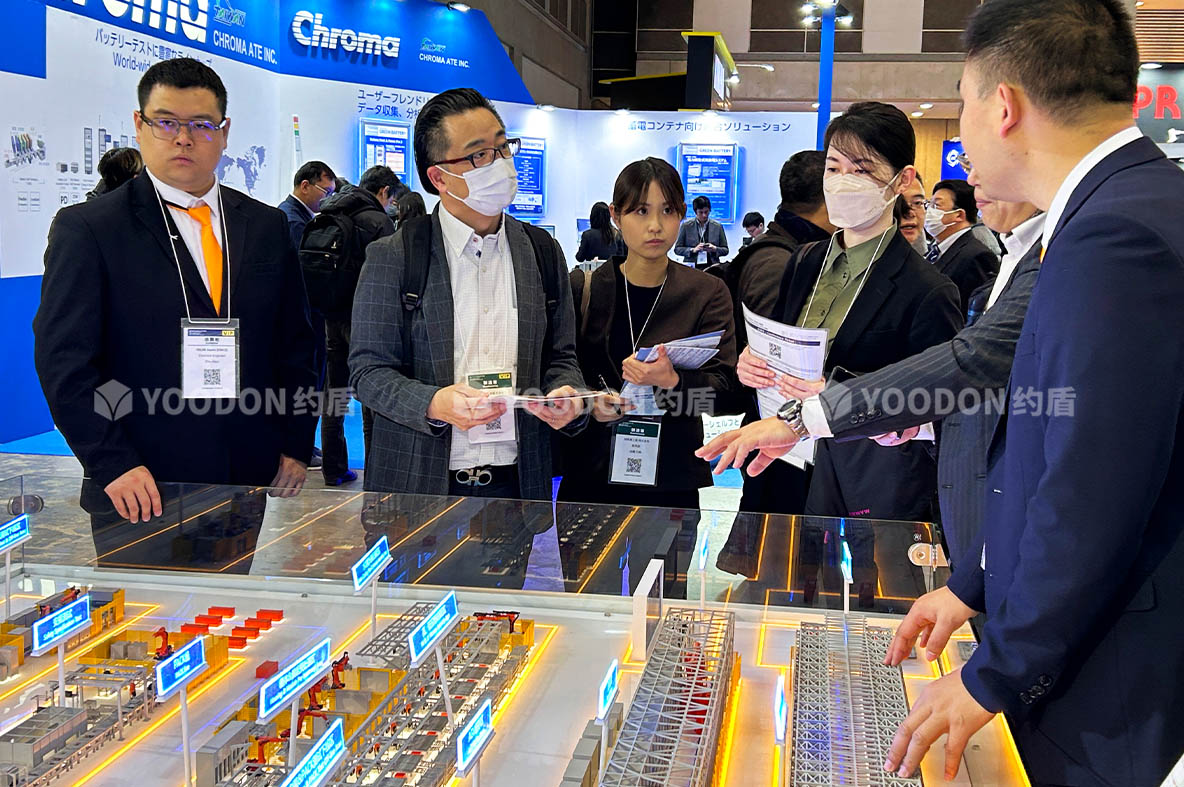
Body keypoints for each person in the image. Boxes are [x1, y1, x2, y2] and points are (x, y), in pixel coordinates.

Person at [879, 2, 1184, 783]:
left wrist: (995, 672)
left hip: (1106, 674)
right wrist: (974, 585)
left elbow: (1091, 487)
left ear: (1004, 106)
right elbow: (1048, 449)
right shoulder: (1125, 207)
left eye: (964, 100)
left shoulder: (1115, 236)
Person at [34, 57, 315, 533]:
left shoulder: (265, 225)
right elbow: (64, 362)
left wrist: (295, 442)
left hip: (246, 471)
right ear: (139, 126)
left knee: (232, 587)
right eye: (166, 122)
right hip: (139, 483)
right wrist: (111, 462)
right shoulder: (90, 228)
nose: (183, 138)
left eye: (201, 125)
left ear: (224, 132)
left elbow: (297, 344)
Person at [704, 103, 963, 595]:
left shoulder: (928, 290)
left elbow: (935, 405)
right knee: (778, 602)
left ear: (903, 179)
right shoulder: (806, 260)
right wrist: (755, 362)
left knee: (875, 609)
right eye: (834, 168)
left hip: (868, 488)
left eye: (862, 169)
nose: (843, 182)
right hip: (784, 464)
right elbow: (784, 342)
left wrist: (839, 397)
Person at [349, 87, 587, 499]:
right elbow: (367, 373)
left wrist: (566, 393)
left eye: (502, 147)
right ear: (439, 177)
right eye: (478, 155)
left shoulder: (541, 251)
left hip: (517, 485)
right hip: (418, 487)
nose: (499, 163)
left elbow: (561, 356)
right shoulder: (395, 256)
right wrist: (433, 403)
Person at [561, 157, 737, 510]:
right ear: (616, 215)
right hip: (591, 473)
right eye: (641, 211)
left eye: (667, 211)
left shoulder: (706, 292)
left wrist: (673, 382)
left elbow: (726, 394)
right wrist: (589, 403)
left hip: (671, 476)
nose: (655, 225)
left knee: (666, 549)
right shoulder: (584, 287)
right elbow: (560, 371)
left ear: (681, 214)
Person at [713, 149, 834, 578]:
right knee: (779, 565)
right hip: (783, 428)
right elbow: (775, 349)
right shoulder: (777, 258)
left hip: (792, 427)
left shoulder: (795, 249)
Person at [307, 166, 399, 486]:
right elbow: (390, 276)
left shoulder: (329, 212)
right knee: (370, 402)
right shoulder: (378, 221)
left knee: (334, 398)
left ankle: (333, 469)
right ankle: (375, 475)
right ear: (384, 192)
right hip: (365, 319)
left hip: (331, 316)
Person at [280, 160, 337, 472]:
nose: (328, 199)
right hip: (304, 317)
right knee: (307, 384)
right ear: (305, 186)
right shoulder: (293, 222)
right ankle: (299, 447)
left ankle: (305, 445)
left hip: (309, 316)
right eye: (325, 192)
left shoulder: (298, 218)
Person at [925, 178, 1000, 312]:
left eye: (936, 206)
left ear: (959, 215)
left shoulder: (977, 256)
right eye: (928, 205)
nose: (929, 212)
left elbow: (972, 310)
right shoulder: (933, 250)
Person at [279, 160, 336, 250]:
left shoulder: (290, 211)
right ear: (305, 187)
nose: (330, 198)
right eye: (327, 192)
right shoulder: (294, 222)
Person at [674, 196, 728, 266]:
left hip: (712, 266)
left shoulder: (718, 226)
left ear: (710, 210)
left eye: (706, 212)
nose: (704, 215)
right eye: (701, 212)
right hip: (692, 265)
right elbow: (677, 249)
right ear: (695, 212)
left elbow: (725, 250)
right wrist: (693, 250)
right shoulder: (686, 226)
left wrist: (715, 249)